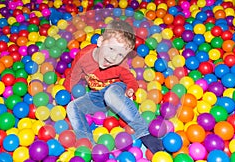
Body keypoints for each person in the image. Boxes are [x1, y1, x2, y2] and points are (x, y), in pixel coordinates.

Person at [63, 19, 164, 153]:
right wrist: (65, 93)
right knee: (72, 106)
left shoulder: (120, 65)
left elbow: (131, 80)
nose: (113, 57)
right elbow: (73, 76)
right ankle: (88, 145)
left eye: (120, 54)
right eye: (111, 49)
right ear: (100, 42)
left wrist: (130, 91)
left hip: (115, 92)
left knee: (110, 94)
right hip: (98, 97)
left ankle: (144, 132)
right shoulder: (83, 56)